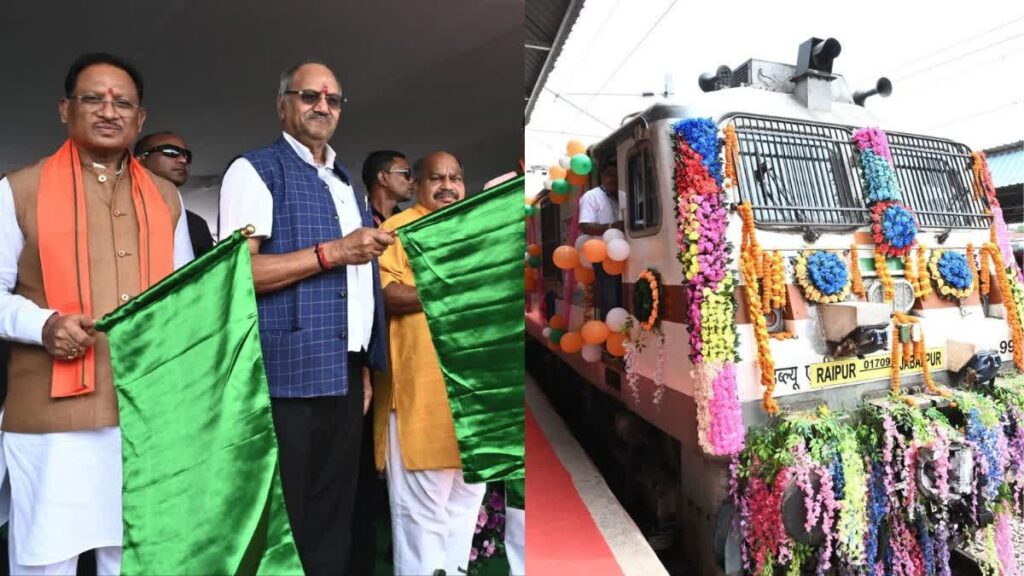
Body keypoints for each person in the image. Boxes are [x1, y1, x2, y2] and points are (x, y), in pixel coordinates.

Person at [0, 52, 193, 574]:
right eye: (93, 98)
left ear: (140, 118)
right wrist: (42, 324)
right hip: (52, 416)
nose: (109, 110)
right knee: (48, 559)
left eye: (122, 102)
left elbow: (184, 297)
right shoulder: (19, 189)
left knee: (135, 558)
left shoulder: (166, 198)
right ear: (65, 109)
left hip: (145, 412)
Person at [218, 60, 392, 575]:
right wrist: (334, 251)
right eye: (309, 96)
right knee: (287, 517)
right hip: (284, 374)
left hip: (343, 372)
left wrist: (361, 365)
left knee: (333, 514)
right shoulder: (254, 170)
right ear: (283, 104)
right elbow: (238, 275)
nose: (322, 106)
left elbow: (358, 291)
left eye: (333, 99)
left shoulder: (344, 182)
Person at [375, 151, 486, 576]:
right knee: (421, 518)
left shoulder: (476, 230)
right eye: (436, 178)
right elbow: (386, 294)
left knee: (464, 509)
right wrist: (448, 292)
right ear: (416, 185)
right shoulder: (396, 230)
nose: (447, 186)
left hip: (474, 399)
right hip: (418, 395)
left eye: (455, 178)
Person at [135, 131, 215, 257]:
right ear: (139, 161)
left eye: (187, 156)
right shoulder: (118, 212)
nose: (183, 160)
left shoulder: (196, 224)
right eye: (171, 152)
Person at [578, 160, 623, 320]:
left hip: (624, 253)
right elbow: (585, 226)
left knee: (622, 299)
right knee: (610, 301)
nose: (613, 179)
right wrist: (612, 226)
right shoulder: (591, 196)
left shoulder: (621, 196)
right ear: (602, 176)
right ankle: (608, 342)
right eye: (610, 175)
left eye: (616, 175)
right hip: (604, 256)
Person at [362, 150, 413, 227]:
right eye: (406, 173)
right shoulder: (355, 219)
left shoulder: (407, 223)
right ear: (383, 177)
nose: (412, 180)